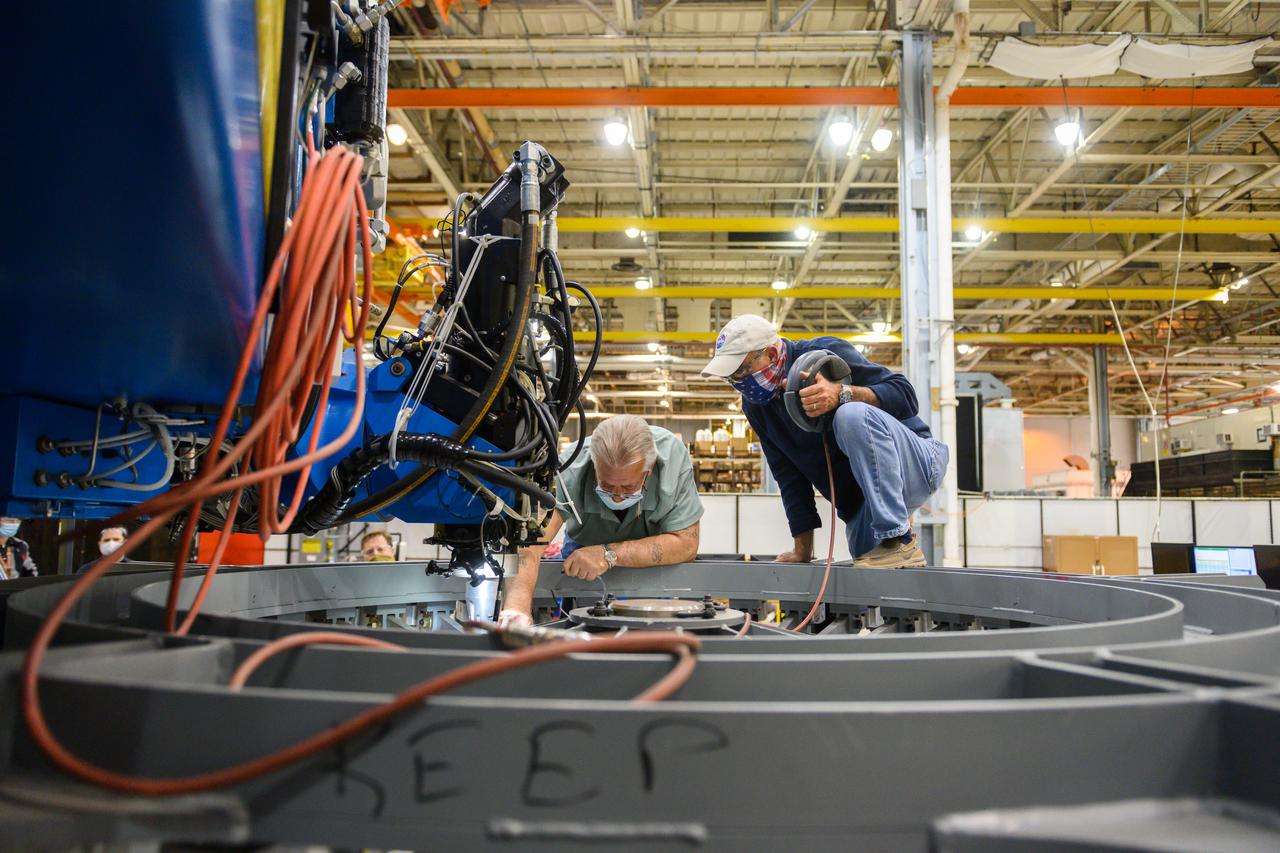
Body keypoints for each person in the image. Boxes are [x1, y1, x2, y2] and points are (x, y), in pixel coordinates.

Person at [703, 315, 948, 569]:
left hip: (917, 462)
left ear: (772, 355)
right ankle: (894, 544)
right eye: (731, 378)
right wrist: (802, 549)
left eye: (742, 371)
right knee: (874, 584)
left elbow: (905, 395)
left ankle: (898, 539)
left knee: (850, 415)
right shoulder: (757, 407)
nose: (739, 382)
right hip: (863, 506)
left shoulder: (823, 354)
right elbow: (788, 476)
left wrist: (844, 394)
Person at [498, 414, 703, 628]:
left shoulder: (673, 459)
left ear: (648, 470)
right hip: (582, 561)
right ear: (594, 466)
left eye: (628, 487)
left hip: (650, 568)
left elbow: (686, 544)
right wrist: (516, 609)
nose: (616, 496)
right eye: (606, 484)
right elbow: (529, 544)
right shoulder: (572, 467)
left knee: (650, 637)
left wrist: (608, 553)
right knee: (581, 633)